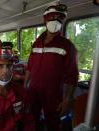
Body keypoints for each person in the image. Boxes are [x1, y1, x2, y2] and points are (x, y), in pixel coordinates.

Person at [24, 2, 79, 131]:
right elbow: (29, 67)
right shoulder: (37, 42)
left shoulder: (68, 46)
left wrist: (67, 99)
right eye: (51, 17)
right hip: (33, 90)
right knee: (32, 119)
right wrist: (24, 86)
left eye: (59, 17)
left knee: (53, 122)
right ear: (45, 19)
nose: (55, 20)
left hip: (53, 93)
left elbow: (72, 75)